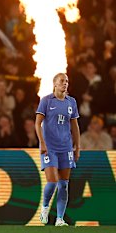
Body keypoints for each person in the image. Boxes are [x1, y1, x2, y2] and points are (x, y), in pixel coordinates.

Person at [36, 73, 81, 226]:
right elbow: (37, 124)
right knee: (52, 181)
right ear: (54, 83)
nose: (65, 83)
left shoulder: (71, 102)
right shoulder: (46, 101)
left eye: (67, 81)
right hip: (50, 148)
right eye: (62, 81)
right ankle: (44, 208)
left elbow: (75, 126)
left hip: (66, 147)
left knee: (64, 184)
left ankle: (60, 219)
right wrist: (42, 142)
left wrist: (77, 146)